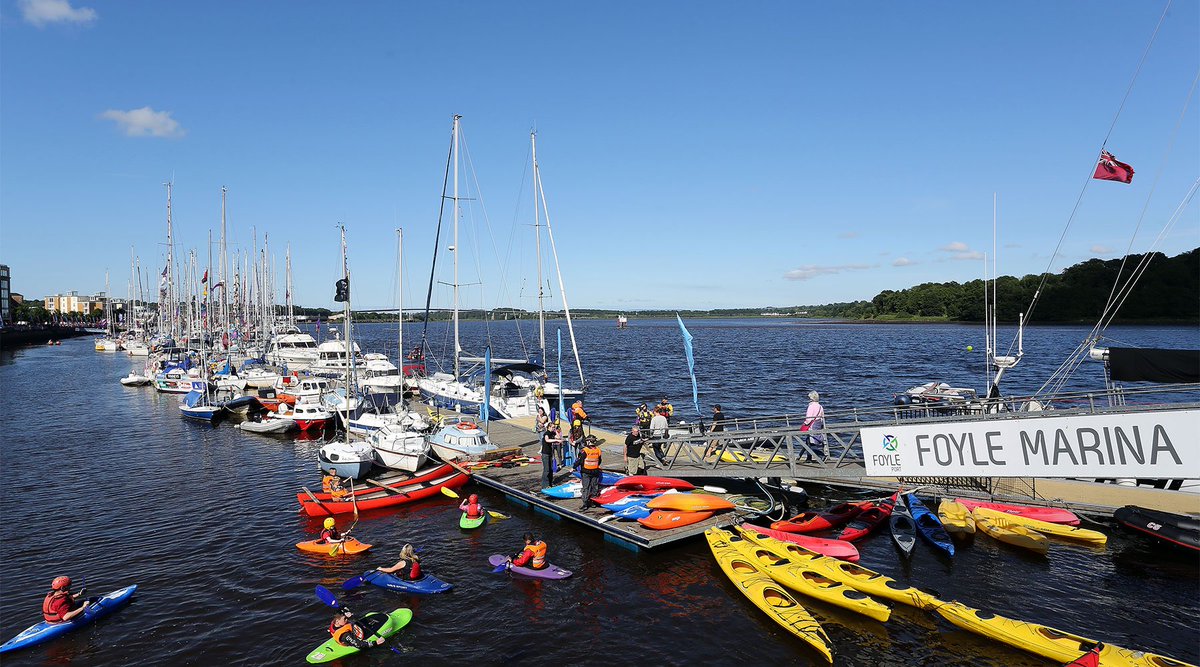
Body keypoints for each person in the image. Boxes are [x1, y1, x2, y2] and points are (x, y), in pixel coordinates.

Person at [578, 436, 603, 509]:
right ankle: (593, 502)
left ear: (588, 441)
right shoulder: (598, 450)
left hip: (586, 471)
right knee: (594, 487)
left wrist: (574, 467)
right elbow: (600, 460)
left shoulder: (585, 450)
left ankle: (585, 504)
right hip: (595, 471)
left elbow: (580, 461)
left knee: (586, 487)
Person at [803, 391, 826, 462]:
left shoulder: (811, 406)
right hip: (818, 424)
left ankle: (821, 455)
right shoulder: (820, 406)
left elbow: (808, 418)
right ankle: (808, 458)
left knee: (810, 442)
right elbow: (822, 417)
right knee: (809, 441)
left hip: (812, 425)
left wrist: (805, 423)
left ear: (811, 398)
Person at [540, 423, 563, 488]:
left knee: (550, 469)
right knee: (546, 469)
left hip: (550, 453)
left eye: (554, 427)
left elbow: (558, 437)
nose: (553, 428)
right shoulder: (546, 433)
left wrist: (555, 431)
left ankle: (550, 483)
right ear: (549, 427)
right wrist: (555, 440)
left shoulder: (552, 433)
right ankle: (545, 485)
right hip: (545, 453)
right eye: (553, 427)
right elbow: (547, 440)